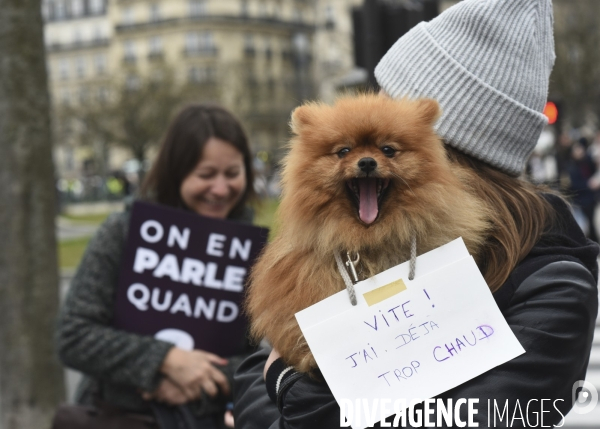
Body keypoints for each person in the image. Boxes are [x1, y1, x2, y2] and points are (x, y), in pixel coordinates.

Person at [233, 0, 599, 427]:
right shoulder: (341, 237)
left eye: (392, 123)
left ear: (438, 139)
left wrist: (289, 386)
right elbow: (252, 370)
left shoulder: (551, 281)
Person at [56, 104, 256, 429]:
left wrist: (201, 380)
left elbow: (262, 359)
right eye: (206, 175)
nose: (220, 189)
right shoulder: (121, 233)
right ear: (176, 173)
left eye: (232, 174)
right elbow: (74, 336)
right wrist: (165, 360)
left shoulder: (255, 253)